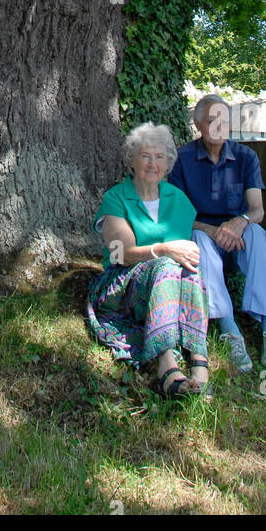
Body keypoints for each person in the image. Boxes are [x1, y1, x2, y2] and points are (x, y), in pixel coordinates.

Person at [88, 121, 211, 398]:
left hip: (167, 288)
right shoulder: (116, 198)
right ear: (132, 160)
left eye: (159, 157)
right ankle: (167, 365)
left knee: (188, 269)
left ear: (168, 164)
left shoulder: (179, 200)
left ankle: (199, 364)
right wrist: (164, 250)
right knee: (169, 265)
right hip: (121, 285)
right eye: (145, 156)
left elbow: (185, 255)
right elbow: (123, 254)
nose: (152, 163)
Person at [168, 94, 266, 372]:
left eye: (224, 119)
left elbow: (257, 210)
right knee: (197, 238)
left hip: (239, 241)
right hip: (204, 238)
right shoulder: (182, 159)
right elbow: (178, 217)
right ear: (198, 124)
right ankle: (229, 327)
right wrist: (211, 229)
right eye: (212, 120)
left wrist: (240, 221)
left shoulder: (246, 157)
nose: (219, 126)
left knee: (257, 233)